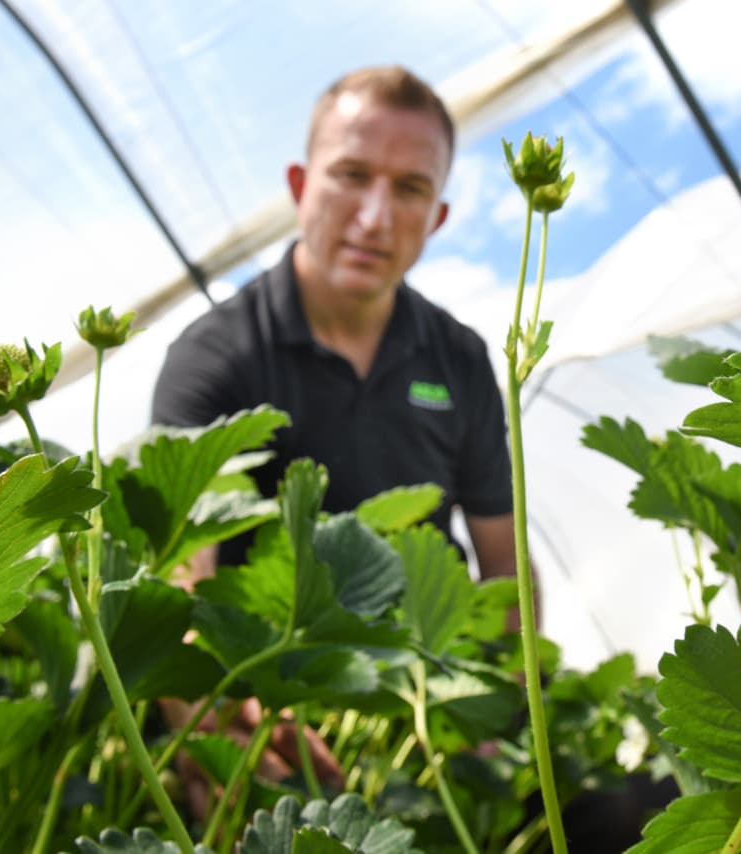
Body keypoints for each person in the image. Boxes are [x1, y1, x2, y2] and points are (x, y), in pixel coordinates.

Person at [150, 64, 521, 821]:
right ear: (299, 183)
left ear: (440, 215)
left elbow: (505, 563)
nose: (376, 216)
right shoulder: (215, 357)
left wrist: (501, 717)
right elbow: (183, 573)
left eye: (410, 188)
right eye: (351, 175)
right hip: (281, 732)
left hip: (426, 728)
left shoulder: (462, 359)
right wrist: (205, 709)